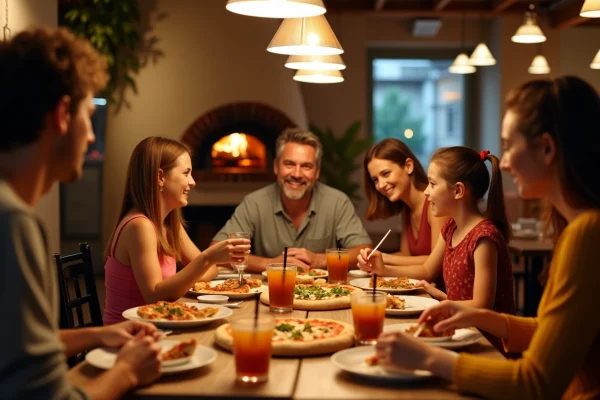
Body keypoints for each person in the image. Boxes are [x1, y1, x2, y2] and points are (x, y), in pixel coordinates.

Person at [373, 76, 600, 399]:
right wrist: (475, 315)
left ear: (548, 148)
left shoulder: (586, 235)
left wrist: (430, 358)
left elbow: (537, 383)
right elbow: (553, 332)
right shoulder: (579, 227)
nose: (504, 163)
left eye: (509, 147)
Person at [0, 27, 162, 399]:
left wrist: (98, 334)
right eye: (89, 116)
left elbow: (14, 344)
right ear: (61, 114)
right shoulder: (13, 224)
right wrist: (127, 371)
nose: (91, 136)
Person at [358, 146, 515, 350]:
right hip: (457, 331)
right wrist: (384, 269)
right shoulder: (450, 227)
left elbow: (481, 306)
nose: (426, 191)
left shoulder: (483, 237)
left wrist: (442, 303)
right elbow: (426, 270)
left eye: (432, 184)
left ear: (458, 191)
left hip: (487, 344)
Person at [103, 137, 250, 325]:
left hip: (159, 326)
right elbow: (154, 297)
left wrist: (206, 263)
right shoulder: (140, 226)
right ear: (160, 177)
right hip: (130, 336)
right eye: (186, 173)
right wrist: (207, 258)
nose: (193, 182)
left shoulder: (170, 224)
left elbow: (210, 271)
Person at [212, 128, 372, 272]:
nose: (296, 174)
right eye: (289, 164)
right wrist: (270, 264)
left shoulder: (337, 202)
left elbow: (363, 250)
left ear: (317, 172)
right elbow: (216, 251)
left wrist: (319, 259)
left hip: (323, 293)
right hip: (268, 293)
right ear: (276, 166)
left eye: (306, 166)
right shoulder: (254, 203)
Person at [363, 138, 447, 288]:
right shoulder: (407, 208)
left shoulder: (435, 205)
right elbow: (406, 255)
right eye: (375, 179)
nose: (381, 185)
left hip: (442, 296)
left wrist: (385, 259)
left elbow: (434, 262)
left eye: (386, 174)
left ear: (408, 166)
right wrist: (374, 257)